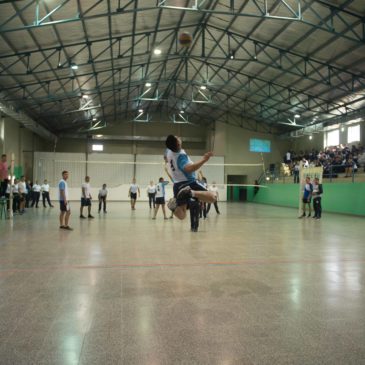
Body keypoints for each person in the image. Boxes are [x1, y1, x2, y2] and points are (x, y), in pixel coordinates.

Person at [164, 135, 216, 230]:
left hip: (177, 185)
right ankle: (191, 192)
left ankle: (173, 207)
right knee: (213, 197)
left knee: (182, 215)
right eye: (177, 138)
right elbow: (189, 169)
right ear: (178, 144)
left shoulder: (168, 151)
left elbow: (166, 157)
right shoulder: (181, 156)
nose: (178, 137)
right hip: (189, 182)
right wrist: (204, 160)